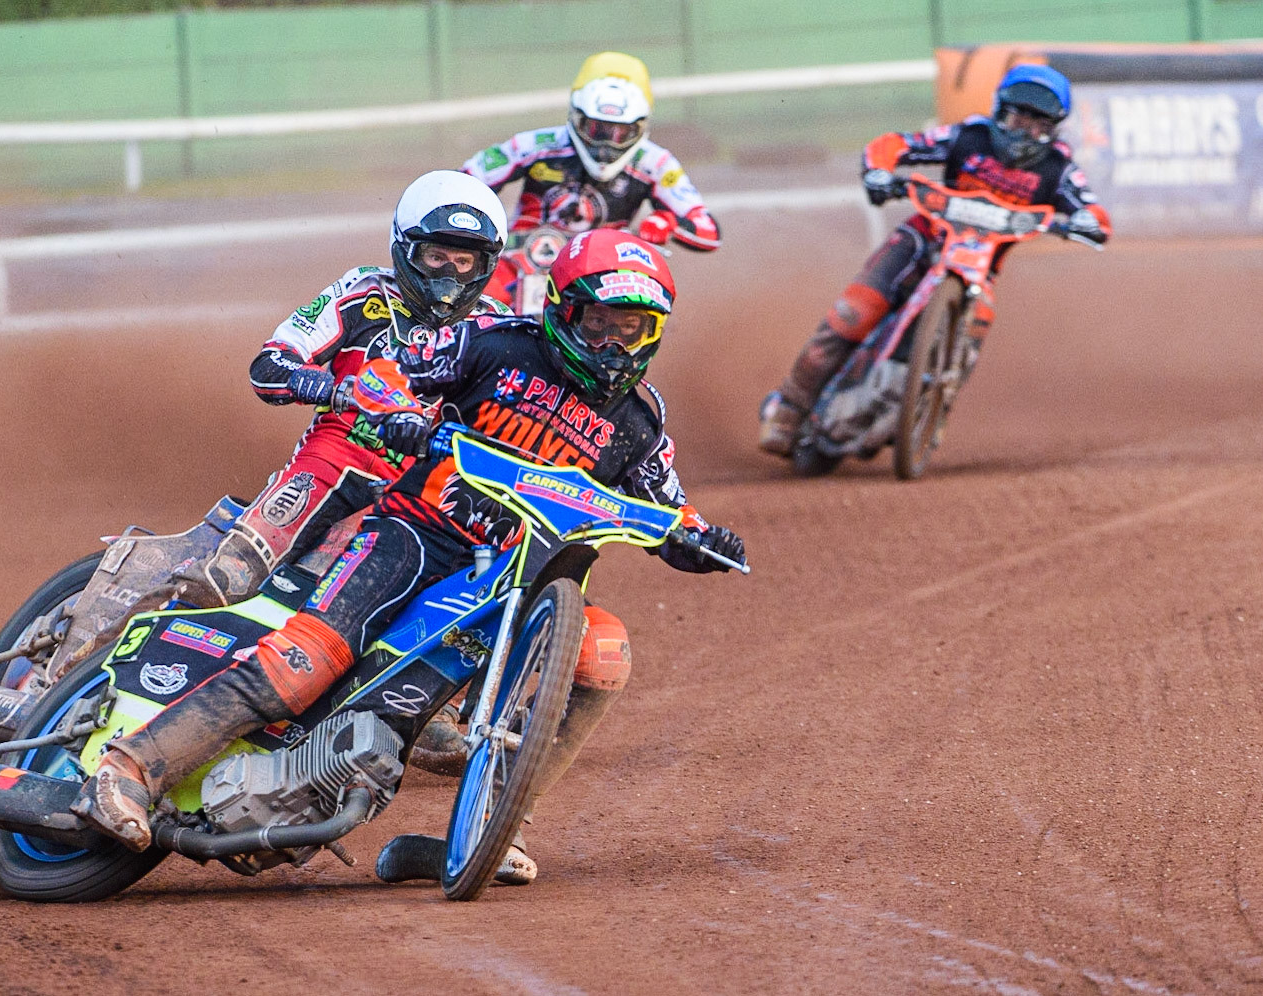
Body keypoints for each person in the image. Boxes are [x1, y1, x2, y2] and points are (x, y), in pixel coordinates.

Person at [71, 229, 748, 886]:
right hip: (415, 536)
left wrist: (704, 538)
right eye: (599, 322)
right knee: (304, 666)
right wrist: (399, 410)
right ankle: (129, 768)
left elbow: (670, 511)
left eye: (631, 330)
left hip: (515, 582)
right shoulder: (493, 342)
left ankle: (496, 825)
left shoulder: (641, 422)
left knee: (604, 654)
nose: (611, 344)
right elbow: (391, 371)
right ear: (563, 309)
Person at [163, 170, 510, 610]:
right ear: (406, 249)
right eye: (436, 257)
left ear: (486, 266)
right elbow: (271, 362)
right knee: (227, 577)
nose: (449, 276)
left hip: (430, 485)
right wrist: (321, 384)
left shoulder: (498, 326)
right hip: (338, 458)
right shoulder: (364, 290)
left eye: (464, 263)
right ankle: (120, 649)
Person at [758, 64, 1112, 455]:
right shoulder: (968, 136)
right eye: (1016, 117)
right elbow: (897, 144)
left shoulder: (1058, 169)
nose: (1022, 131)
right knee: (852, 314)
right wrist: (880, 172)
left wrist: (1083, 223)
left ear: (1054, 129)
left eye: (1037, 124)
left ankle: (932, 408)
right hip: (921, 241)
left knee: (973, 336)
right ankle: (788, 410)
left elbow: (1095, 212)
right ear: (999, 110)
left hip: (980, 268)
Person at [461, 51, 721, 306]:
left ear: (641, 127)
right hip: (520, 263)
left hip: (603, 277)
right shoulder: (536, 144)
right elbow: (464, 180)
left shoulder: (656, 163)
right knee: (469, 306)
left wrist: (668, 223)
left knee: (636, 314)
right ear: (576, 118)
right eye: (596, 129)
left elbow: (707, 230)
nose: (606, 145)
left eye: (621, 133)